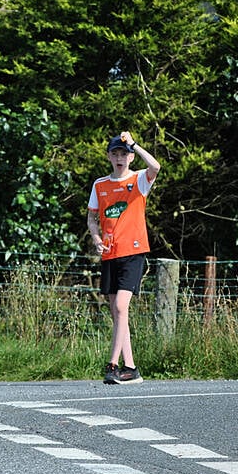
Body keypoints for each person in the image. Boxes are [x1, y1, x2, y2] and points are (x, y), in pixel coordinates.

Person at [88, 131, 160, 385]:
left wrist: (135, 145)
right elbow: (91, 218)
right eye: (115, 153)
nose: (120, 157)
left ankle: (113, 364)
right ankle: (131, 369)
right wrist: (96, 239)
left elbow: (156, 166)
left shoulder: (139, 179)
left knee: (120, 306)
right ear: (109, 156)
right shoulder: (100, 185)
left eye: (124, 153)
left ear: (130, 157)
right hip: (110, 253)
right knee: (118, 313)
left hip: (133, 252)